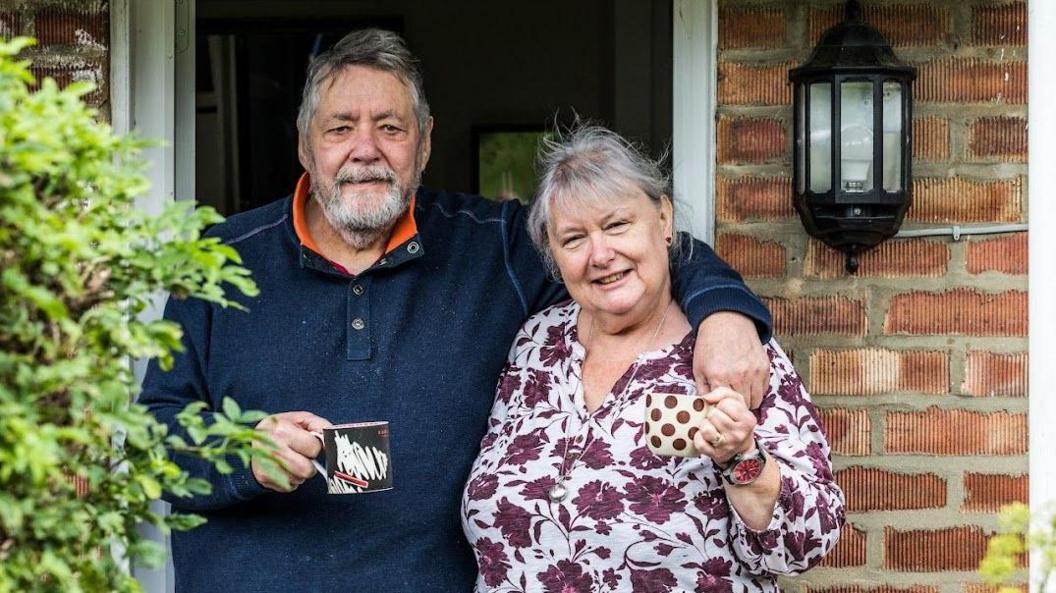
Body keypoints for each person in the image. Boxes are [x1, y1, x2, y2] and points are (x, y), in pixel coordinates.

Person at [139, 29, 774, 593]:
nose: (366, 148)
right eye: (340, 128)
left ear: (424, 142)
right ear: (306, 145)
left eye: (390, 127)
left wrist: (725, 314)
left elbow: (625, 258)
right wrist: (242, 458)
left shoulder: (493, 244)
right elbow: (152, 445)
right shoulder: (217, 262)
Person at [461, 126, 844, 593]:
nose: (601, 254)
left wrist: (741, 459)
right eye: (574, 238)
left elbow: (807, 543)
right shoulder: (536, 344)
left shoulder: (725, 351)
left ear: (663, 221)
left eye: (617, 225)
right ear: (553, 254)